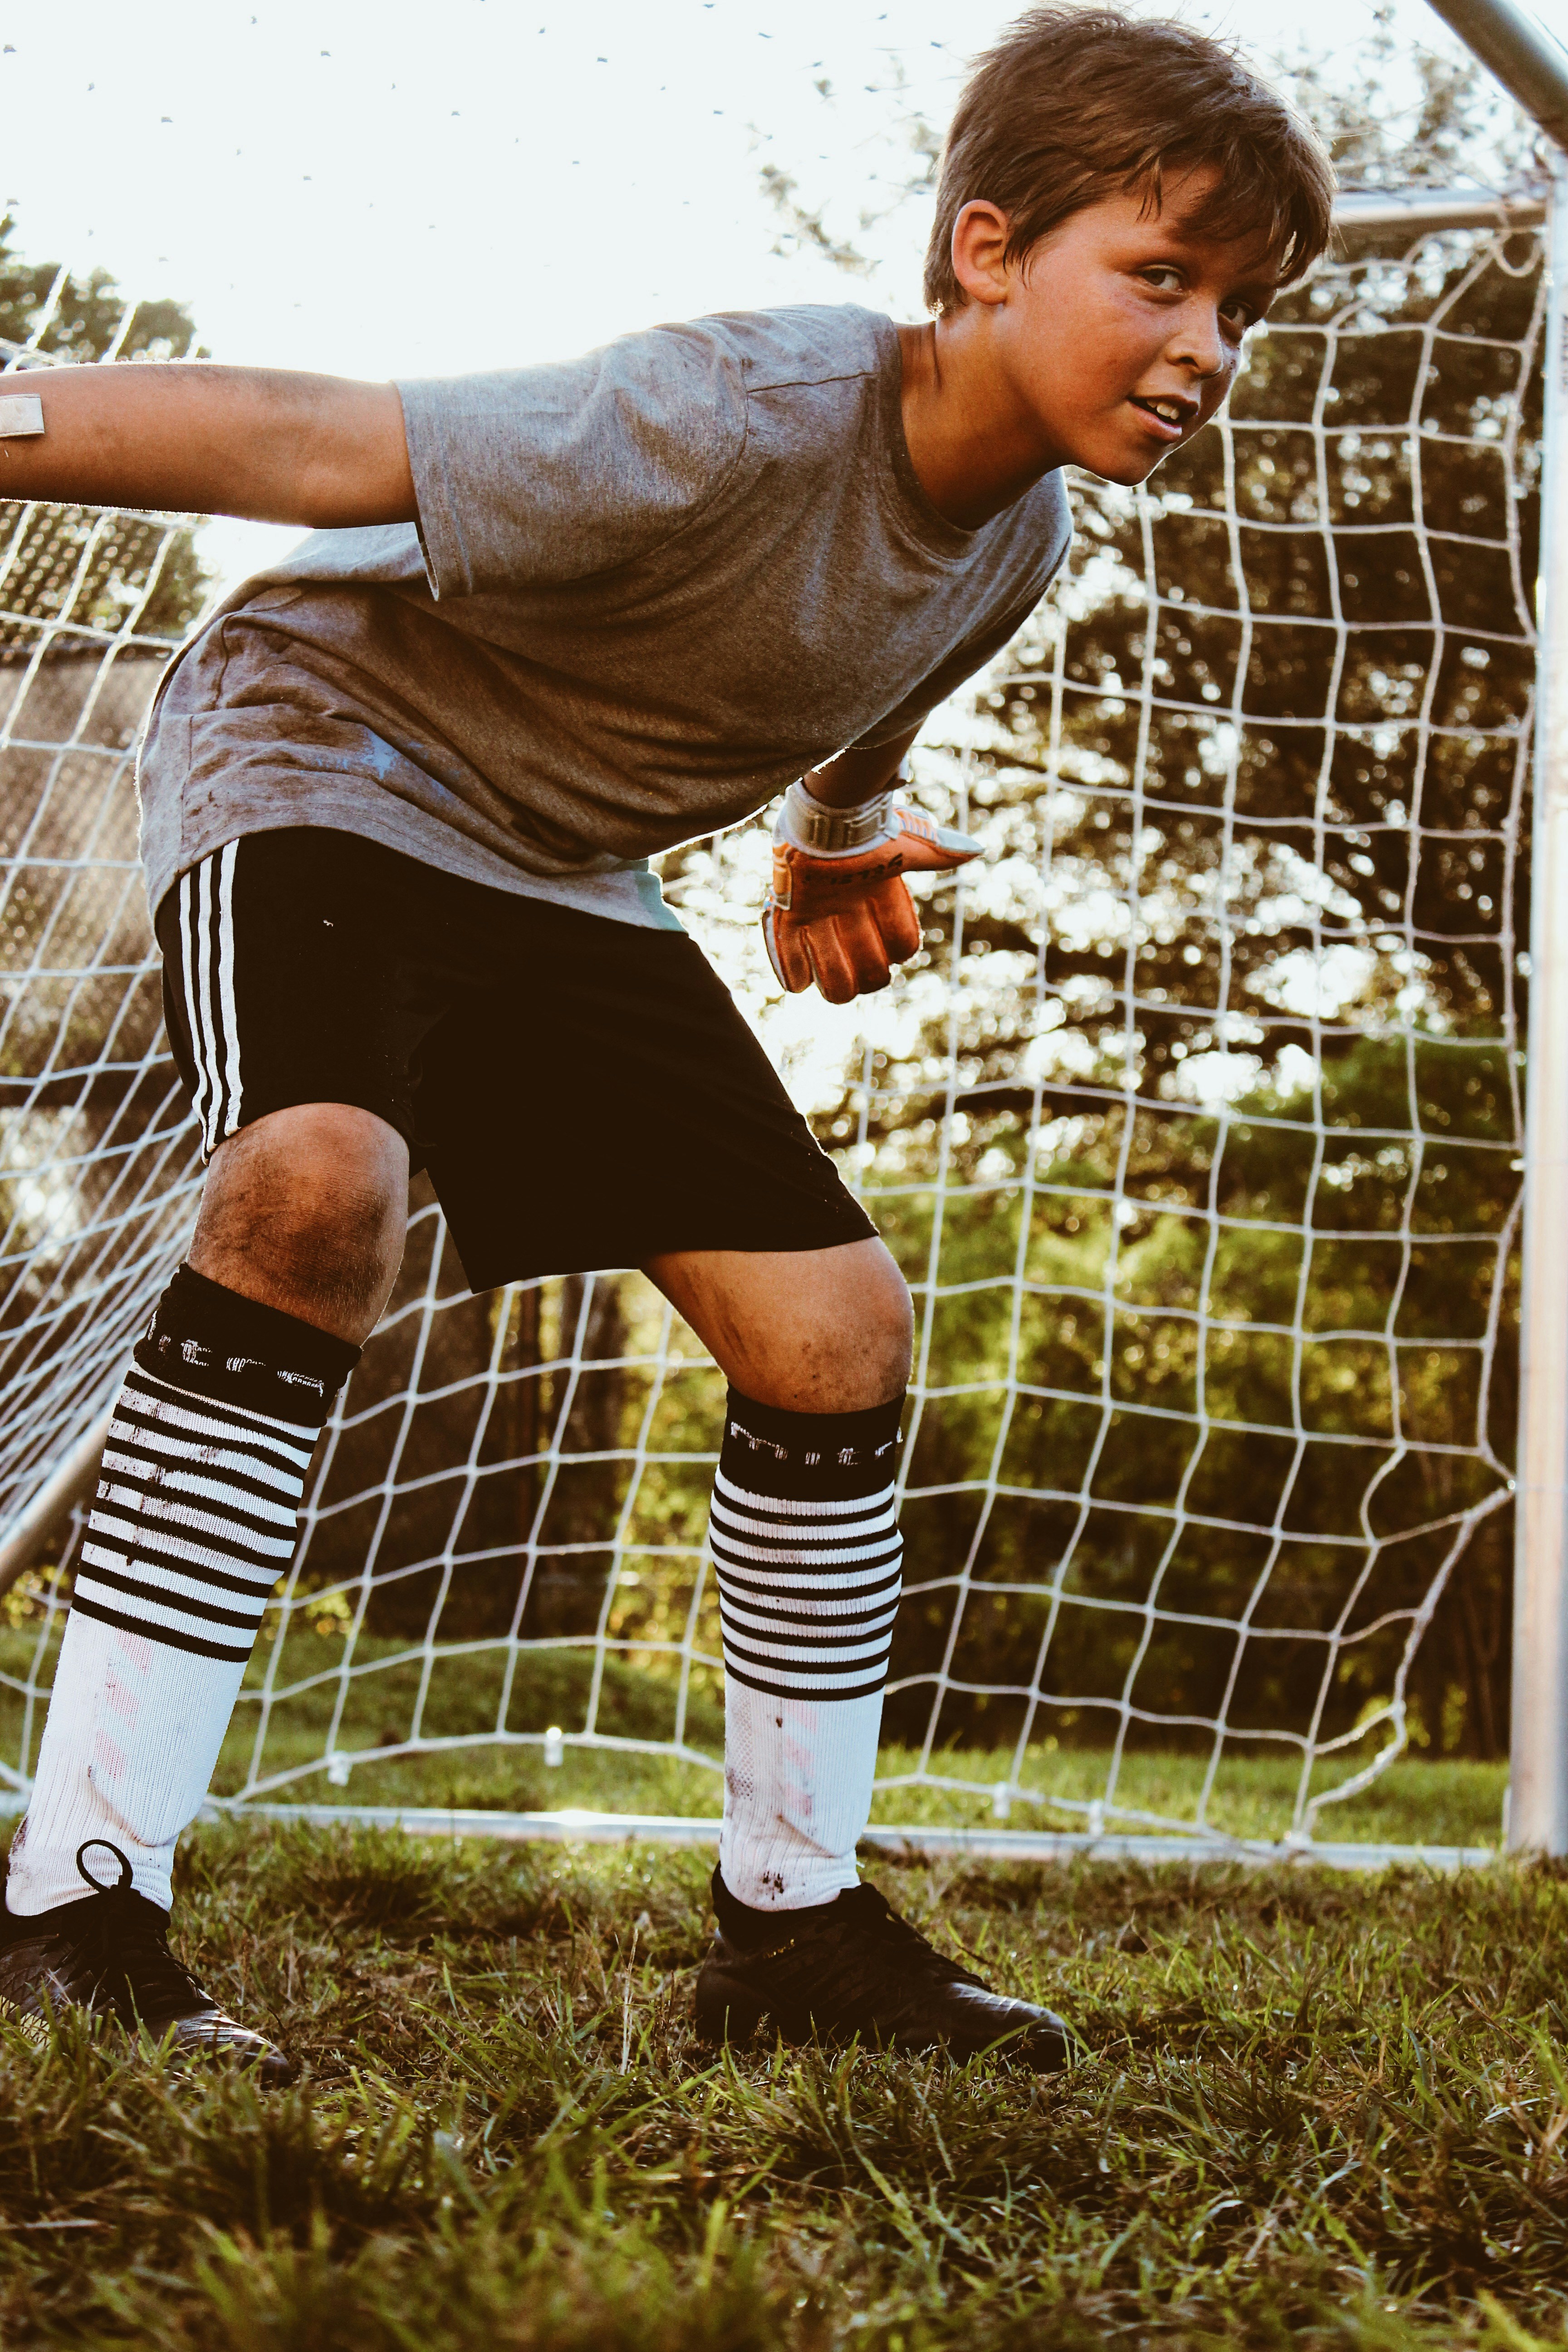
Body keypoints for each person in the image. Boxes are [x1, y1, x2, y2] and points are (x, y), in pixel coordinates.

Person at [0, 5, 1332, 2080]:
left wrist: (830, 839)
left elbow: (866, 692)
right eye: (1159, 275)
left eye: (1239, 308)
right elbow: (319, 445)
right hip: (329, 751)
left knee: (835, 1331)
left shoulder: (1024, 537)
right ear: (986, 249)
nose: (1204, 346)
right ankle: (76, 1907)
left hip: (559, 865)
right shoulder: (756, 402)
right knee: (314, 1192)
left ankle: (788, 1939)